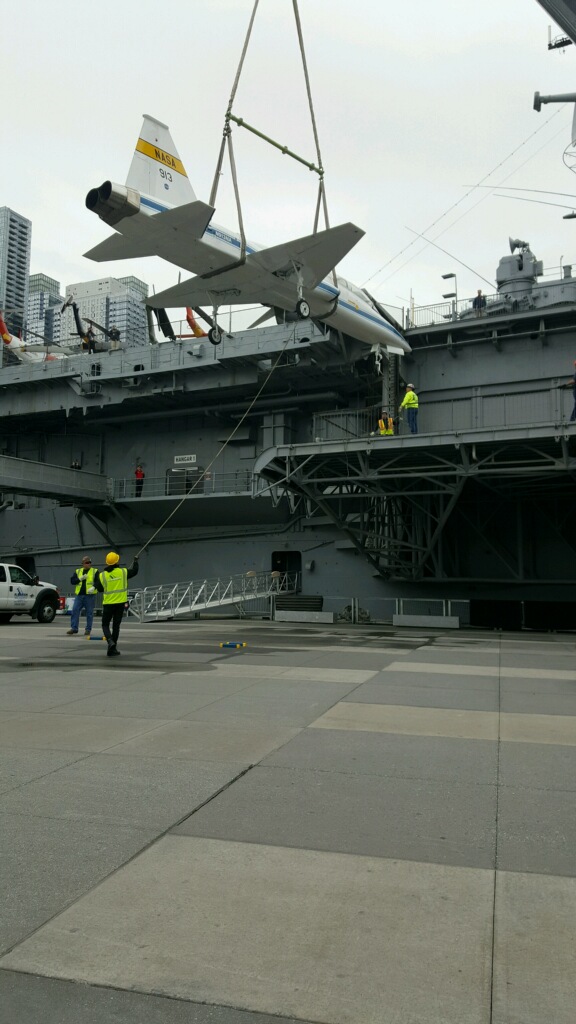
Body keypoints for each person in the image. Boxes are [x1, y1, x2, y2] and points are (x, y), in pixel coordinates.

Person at [94, 551, 139, 657]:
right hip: (120, 603)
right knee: (116, 626)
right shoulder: (123, 572)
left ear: (107, 563)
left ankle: (110, 641)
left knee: (105, 625)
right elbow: (134, 571)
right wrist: (135, 561)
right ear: (117, 561)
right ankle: (113, 649)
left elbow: (100, 589)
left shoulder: (102, 575)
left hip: (108, 603)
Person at [66, 555, 97, 636]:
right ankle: (74, 628)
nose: (88, 564)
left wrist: (94, 587)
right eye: (87, 562)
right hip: (79, 595)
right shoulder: (78, 571)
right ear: (83, 563)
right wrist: (80, 579)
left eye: (90, 562)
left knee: (89, 613)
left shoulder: (95, 571)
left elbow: (98, 581)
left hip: (90, 595)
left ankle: (88, 629)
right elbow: (72, 581)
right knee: (75, 611)